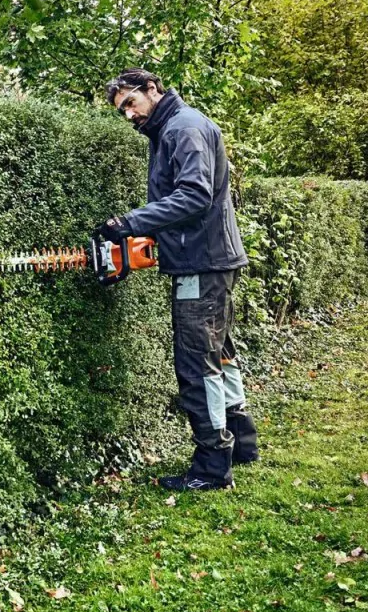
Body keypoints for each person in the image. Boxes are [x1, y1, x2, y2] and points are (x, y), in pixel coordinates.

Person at [99, 68, 259, 491]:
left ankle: (211, 466)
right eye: (122, 111)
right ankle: (241, 441)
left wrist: (130, 222)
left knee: (196, 363)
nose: (129, 115)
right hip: (211, 258)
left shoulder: (182, 128)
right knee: (220, 353)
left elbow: (193, 195)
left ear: (152, 88)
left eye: (130, 103)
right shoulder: (175, 127)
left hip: (200, 264)